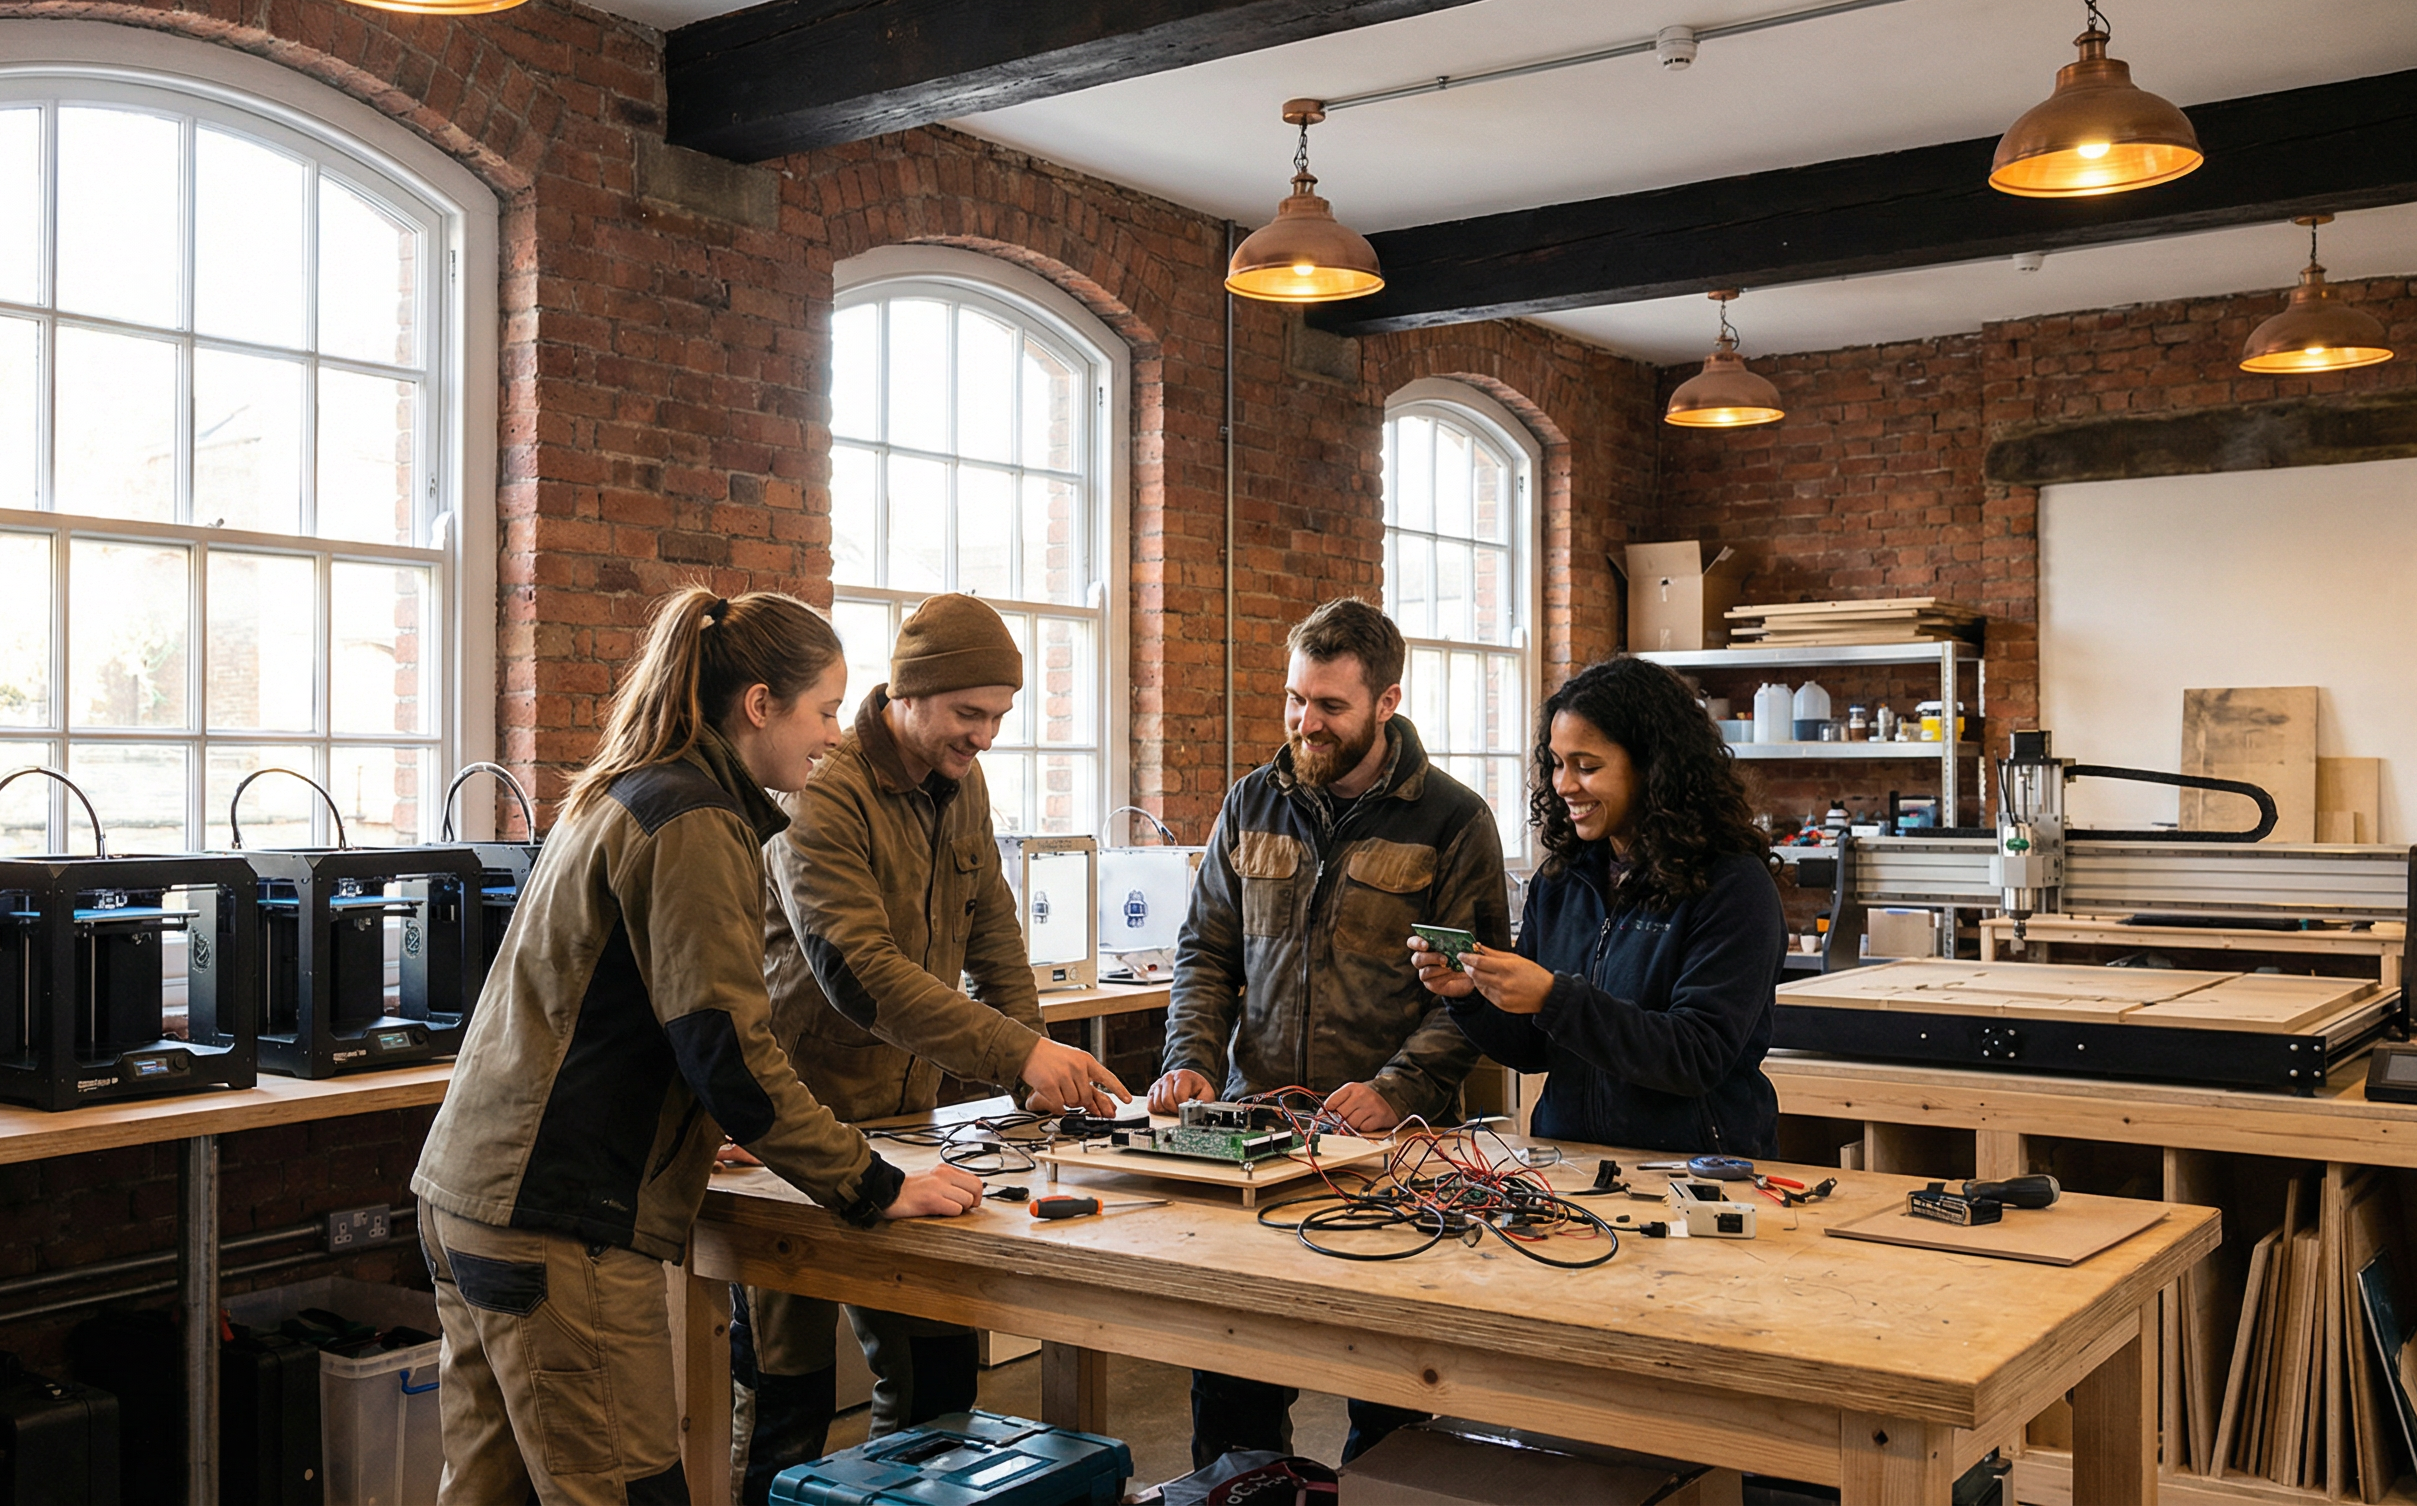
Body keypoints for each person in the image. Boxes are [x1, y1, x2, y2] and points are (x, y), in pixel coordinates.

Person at [410, 587, 984, 1506]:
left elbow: (620, 1014)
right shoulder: (695, 819)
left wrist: (689, 1128)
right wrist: (875, 1185)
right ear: (759, 705)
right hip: (563, 1218)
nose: (833, 735)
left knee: (492, 1494)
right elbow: (728, 1051)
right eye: (824, 710)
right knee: (629, 1492)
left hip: (475, 1197)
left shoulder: (630, 787)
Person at [735, 592, 1132, 1505]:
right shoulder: (821, 787)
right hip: (794, 1137)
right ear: (908, 694)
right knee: (790, 1402)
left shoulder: (962, 783)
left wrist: (1034, 1070)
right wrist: (1017, 1055)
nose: (984, 736)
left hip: (912, 1132)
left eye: (998, 716)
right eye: (968, 713)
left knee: (938, 1388)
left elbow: (993, 930)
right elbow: (859, 973)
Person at [1148, 597, 1513, 1466]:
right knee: (1231, 1393)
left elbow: (1472, 992)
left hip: (1395, 1154)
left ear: (1386, 703)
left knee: (1393, 1410)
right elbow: (1206, 953)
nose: (1305, 724)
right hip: (1256, 1138)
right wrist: (1190, 1061)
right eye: (1295, 700)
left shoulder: (1452, 821)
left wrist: (1397, 1089)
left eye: (1330, 707)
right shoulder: (1251, 804)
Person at [1411, 654, 1785, 1158]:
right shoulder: (1562, 881)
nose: (1564, 785)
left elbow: (1696, 1056)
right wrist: (1472, 998)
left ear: (1653, 767)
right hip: (1571, 1165)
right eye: (1556, 764)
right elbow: (1533, 1050)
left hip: (1695, 1173)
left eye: (1586, 767)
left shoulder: (1732, 886)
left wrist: (1555, 998)